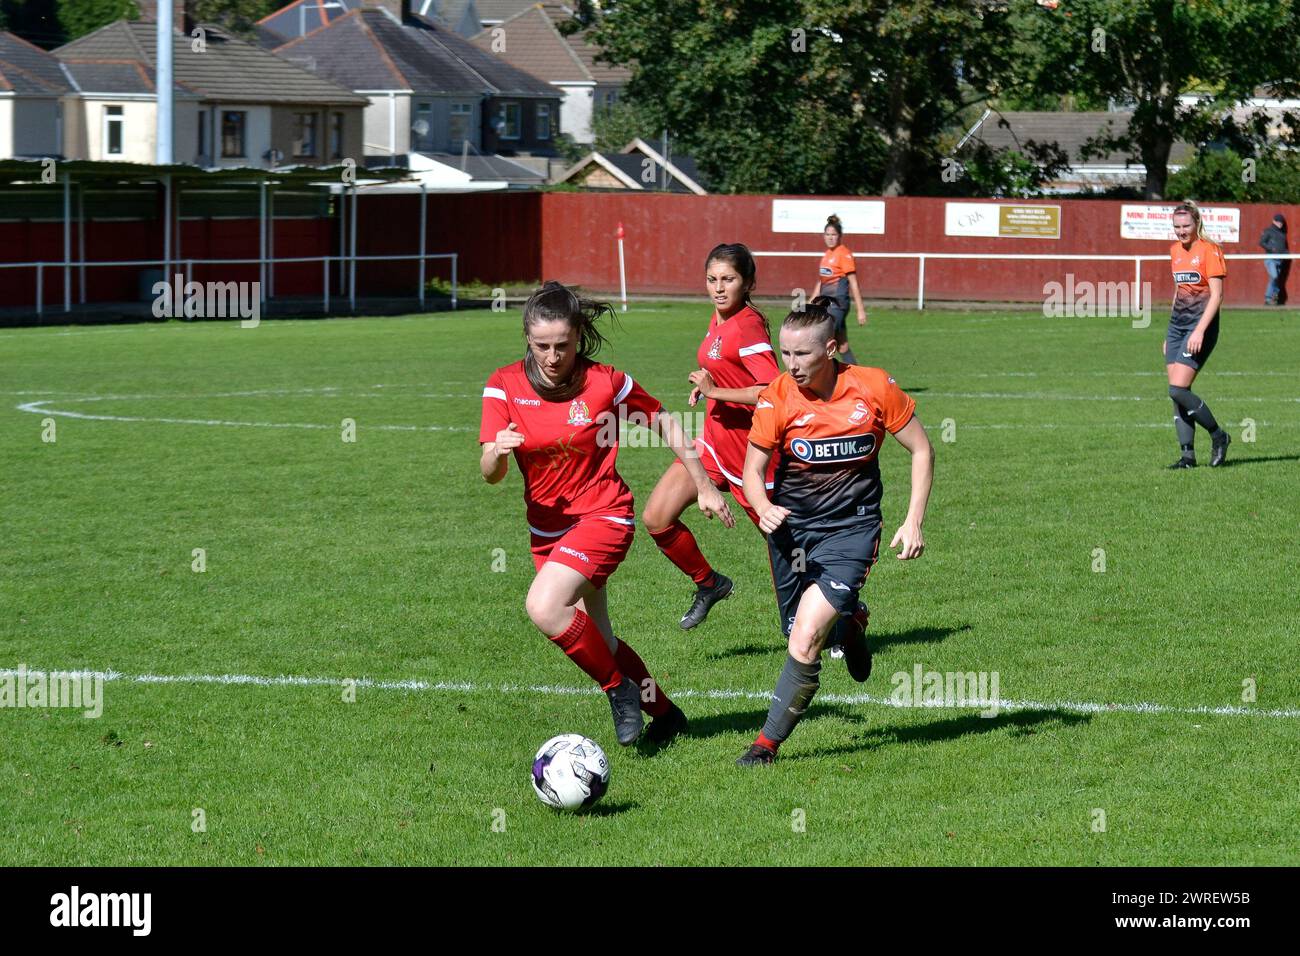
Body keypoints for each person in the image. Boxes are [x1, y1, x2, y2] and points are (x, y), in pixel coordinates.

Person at [479, 282, 735, 747]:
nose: (553, 356)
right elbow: (490, 473)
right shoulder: (503, 385)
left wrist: (701, 482)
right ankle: (668, 714)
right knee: (602, 643)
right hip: (546, 532)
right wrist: (497, 452)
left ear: (579, 336)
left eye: (563, 345)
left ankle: (618, 691)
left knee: (542, 606)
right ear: (526, 339)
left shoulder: (606, 382)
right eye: (542, 347)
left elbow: (664, 420)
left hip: (604, 516)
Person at [735, 302, 934, 766]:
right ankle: (852, 620)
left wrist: (913, 520)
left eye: (802, 354)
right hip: (792, 532)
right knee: (793, 631)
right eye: (785, 353)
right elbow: (753, 470)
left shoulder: (872, 386)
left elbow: (922, 450)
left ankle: (765, 746)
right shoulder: (778, 396)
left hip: (853, 529)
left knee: (804, 639)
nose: (792, 365)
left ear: (830, 348)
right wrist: (762, 506)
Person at [642, 243, 779, 629]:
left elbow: (771, 389)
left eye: (729, 280)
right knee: (657, 517)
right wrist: (708, 385)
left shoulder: (747, 324)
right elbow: (723, 364)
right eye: (712, 279)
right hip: (714, 445)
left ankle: (839, 621)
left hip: (749, 457)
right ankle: (710, 584)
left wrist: (717, 391)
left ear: (748, 283)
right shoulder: (719, 317)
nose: (719, 288)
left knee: (787, 550)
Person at [1166, 200, 1231, 469]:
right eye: (1177, 227)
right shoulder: (1175, 251)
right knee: (1177, 392)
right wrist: (1168, 333)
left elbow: (1217, 296)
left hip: (1200, 326)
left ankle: (1219, 435)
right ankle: (1187, 456)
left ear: (1196, 224)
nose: (1181, 231)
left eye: (1186, 226)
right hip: (1177, 326)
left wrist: (1200, 331)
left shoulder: (1210, 250)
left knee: (1178, 388)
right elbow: (1178, 292)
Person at [813, 214, 868, 365]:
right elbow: (821, 281)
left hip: (837, 305)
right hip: (827, 305)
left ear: (840, 236)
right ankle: (857, 380)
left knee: (821, 340)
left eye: (834, 235)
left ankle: (822, 380)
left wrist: (860, 310)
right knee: (842, 346)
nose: (830, 238)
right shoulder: (827, 255)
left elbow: (854, 283)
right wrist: (811, 302)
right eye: (827, 234)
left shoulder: (844, 254)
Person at [1259, 213, 1289, 306]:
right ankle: (1272, 295)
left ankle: (1269, 299)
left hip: (1280, 259)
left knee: (1274, 279)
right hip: (1270, 258)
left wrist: (1286, 254)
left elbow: (1283, 247)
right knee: (1274, 276)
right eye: (1279, 222)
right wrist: (1271, 248)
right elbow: (1261, 242)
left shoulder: (1282, 233)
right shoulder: (1268, 231)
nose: (1280, 224)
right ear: (1274, 221)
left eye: (1282, 222)